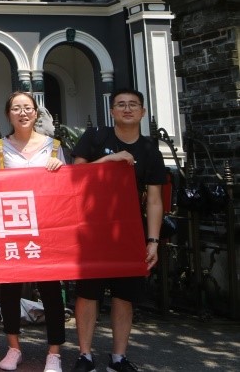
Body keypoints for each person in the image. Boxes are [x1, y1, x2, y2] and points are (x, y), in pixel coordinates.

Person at [68, 90, 165, 372]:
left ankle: (118, 357)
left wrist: (153, 241)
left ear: (142, 112)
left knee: (125, 296)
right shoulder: (96, 137)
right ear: (112, 111)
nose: (127, 109)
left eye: (133, 105)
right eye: (120, 104)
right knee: (88, 293)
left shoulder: (150, 150)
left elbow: (155, 200)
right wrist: (107, 161)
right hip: (91, 230)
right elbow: (74, 176)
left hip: (129, 232)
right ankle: (85, 355)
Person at [0, 93, 66, 372]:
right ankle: (13, 347)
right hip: (12, 227)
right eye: (16, 108)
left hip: (46, 229)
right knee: (9, 289)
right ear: (8, 114)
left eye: (27, 108)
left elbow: (64, 189)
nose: (22, 113)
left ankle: (54, 352)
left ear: (36, 113)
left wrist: (59, 169)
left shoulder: (53, 147)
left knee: (51, 290)